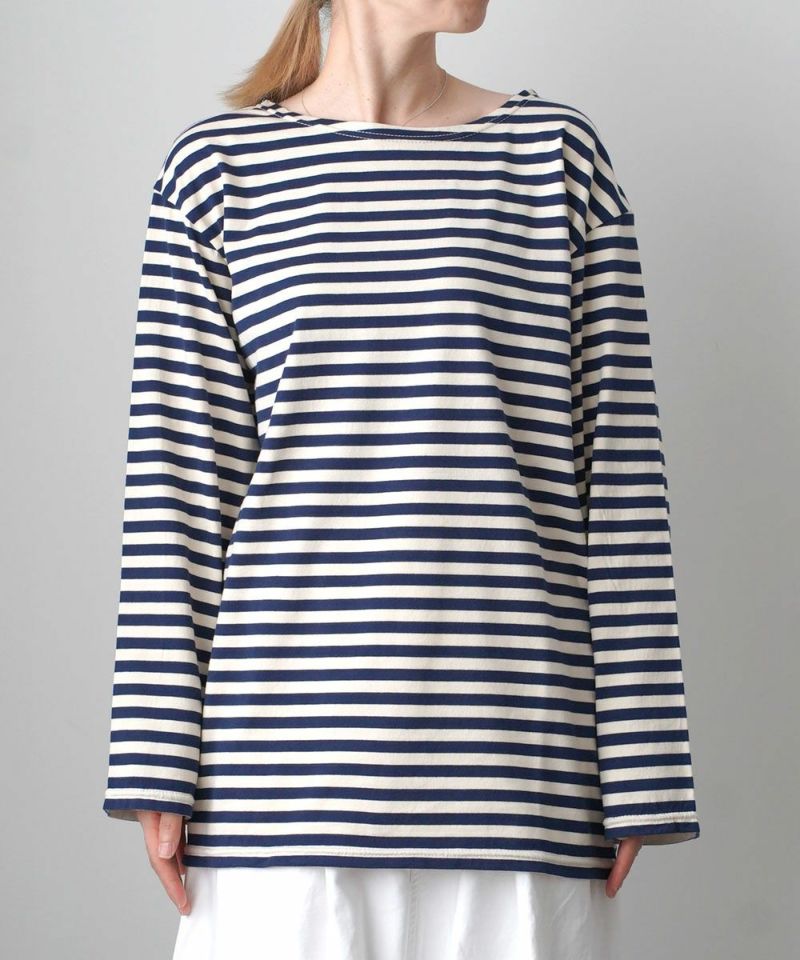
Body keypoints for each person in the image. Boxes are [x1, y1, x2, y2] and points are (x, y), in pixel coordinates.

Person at [101, 1, 701, 957]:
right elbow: (178, 489)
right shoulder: (217, 171)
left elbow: (621, 480)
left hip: (520, 785)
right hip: (277, 798)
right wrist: (154, 758)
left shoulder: (556, 160)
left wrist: (643, 761)